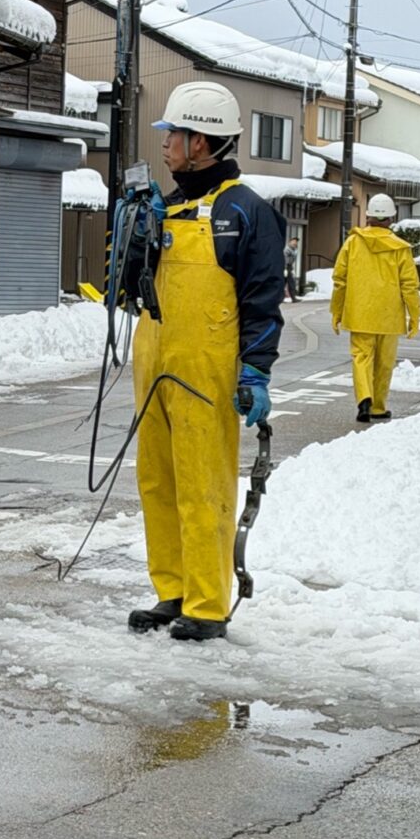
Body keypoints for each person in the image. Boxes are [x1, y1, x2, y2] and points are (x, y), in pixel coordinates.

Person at [124, 81, 286, 642]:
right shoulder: (164, 208)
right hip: (154, 363)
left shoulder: (245, 212)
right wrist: (131, 233)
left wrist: (256, 370)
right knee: (157, 482)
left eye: (173, 134)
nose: (165, 144)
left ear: (200, 142)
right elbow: (129, 290)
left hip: (205, 372)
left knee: (203, 485)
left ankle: (208, 603)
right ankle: (172, 591)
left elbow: (263, 300)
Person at [331, 193, 420, 424]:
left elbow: (340, 279)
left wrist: (336, 312)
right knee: (384, 362)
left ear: (368, 216)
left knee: (361, 357)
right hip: (390, 316)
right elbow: (409, 285)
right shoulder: (400, 248)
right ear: (391, 218)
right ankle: (379, 407)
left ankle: (364, 399)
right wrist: (415, 316)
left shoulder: (352, 242)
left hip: (359, 313)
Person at [283, 236, 299, 301]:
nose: (295, 243)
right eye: (294, 241)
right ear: (290, 242)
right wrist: (285, 268)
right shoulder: (287, 249)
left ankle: (292, 298)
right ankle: (293, 298)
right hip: (285, 266)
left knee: (285, 282)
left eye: (296, 241)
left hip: (289, 267)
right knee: (290, 282)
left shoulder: (294, 250)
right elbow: (285, 259)